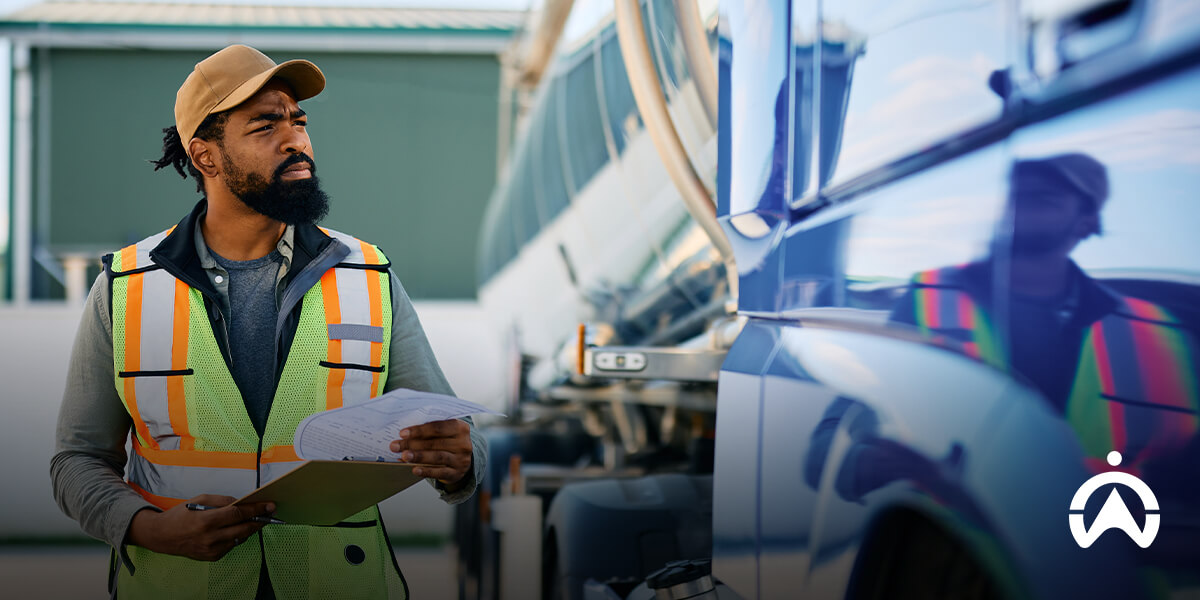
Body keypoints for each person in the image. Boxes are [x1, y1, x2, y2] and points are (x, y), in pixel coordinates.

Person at [50, 44, 486, 599]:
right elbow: (77, 460)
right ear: (205, 156)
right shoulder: (126, 286)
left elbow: (453, 428)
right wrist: (150, 529)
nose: (296, 140)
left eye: (299, 121)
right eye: (265, 125)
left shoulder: (369, 275)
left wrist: (460, 460)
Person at [890, 153, 1199, 473]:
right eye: (1016, 195)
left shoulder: (1152, 330)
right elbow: (876, 411)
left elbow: (1180, 462)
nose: (1020, 204)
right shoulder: (929, 294)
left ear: (1088, 221)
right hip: (943, 518)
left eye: (1043, 198)